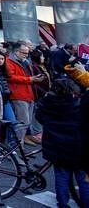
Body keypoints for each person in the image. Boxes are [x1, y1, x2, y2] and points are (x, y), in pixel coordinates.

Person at [35, 78, 89, 208]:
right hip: (76, 147)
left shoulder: (46, 103)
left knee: (61, 176)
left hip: (55, 146)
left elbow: (40, 118)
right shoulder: (77, 104)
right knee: (82, 179)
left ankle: (62, 204)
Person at [6, 41, 44, 144]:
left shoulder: (25, 61)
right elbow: (10, 77)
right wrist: (31, 79)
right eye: (24, 53)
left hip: (28, 95)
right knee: (22, 123)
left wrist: (34, 79)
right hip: (18, 95)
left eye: (27, 53)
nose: (26, 55)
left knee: (26, 122)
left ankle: (21, 144)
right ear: (16, 52)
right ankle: (19, 146)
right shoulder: (9, 61)